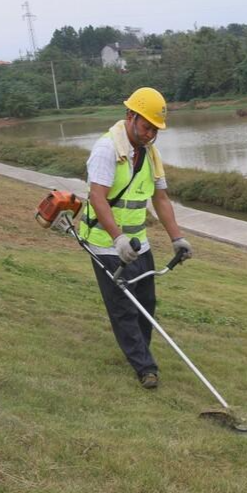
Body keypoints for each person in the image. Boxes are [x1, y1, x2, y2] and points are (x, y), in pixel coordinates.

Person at [79, 87, 193, 389]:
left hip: (138, 243)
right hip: (106, 244)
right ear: (131, 116)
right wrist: (117, 239)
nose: (150, 135)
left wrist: (177, 238)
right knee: (124, 307)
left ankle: (138, 351)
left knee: (147, 303)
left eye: (156, 130)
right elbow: (98, 198)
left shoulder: (150, 153)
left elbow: (162, 199)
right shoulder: (106, 150)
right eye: (146, 127)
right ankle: (145, 368)